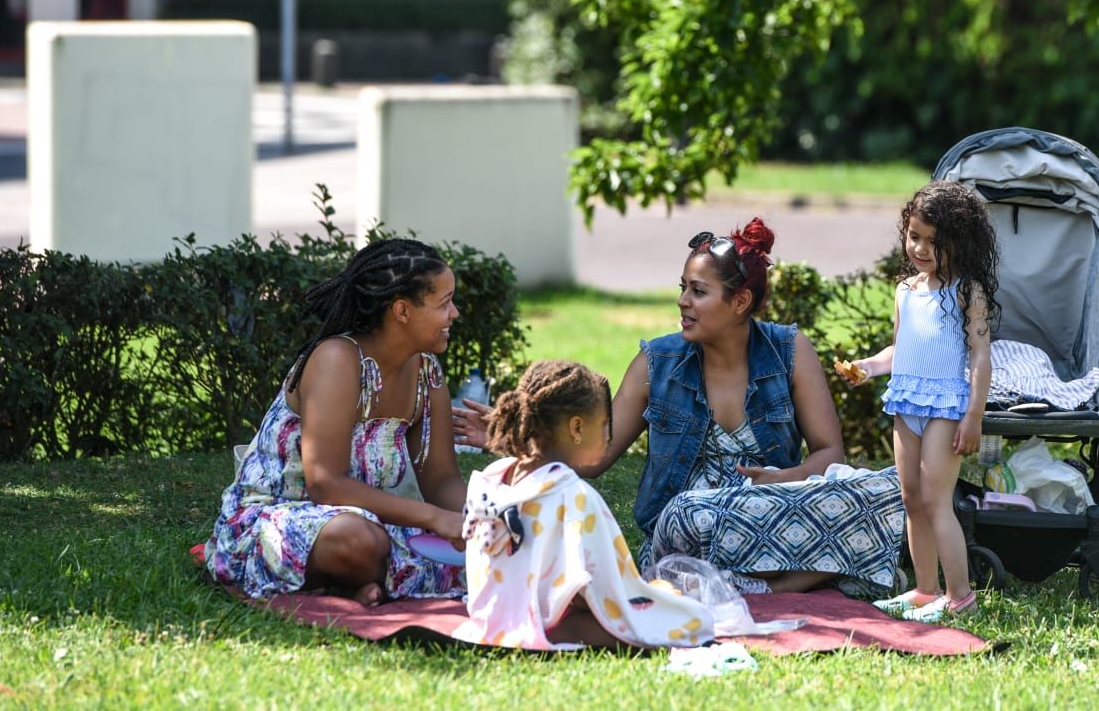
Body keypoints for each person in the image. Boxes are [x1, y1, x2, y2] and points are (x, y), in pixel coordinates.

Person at [578, 218, 906, 598]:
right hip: (688, 531)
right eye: (683, 288)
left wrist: (785, 479)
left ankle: (752, 586)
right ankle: (809, 578)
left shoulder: (789, 350)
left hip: (773, 512)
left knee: (884, 487)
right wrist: (518, 438)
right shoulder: (656, 362)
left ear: (740, 301)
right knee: (688, 511)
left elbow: (830, 453)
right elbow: (596, 456)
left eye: (699, 291)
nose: (683, 301)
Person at [204, 238, 492, 605]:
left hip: (373, 522)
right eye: (444, 303)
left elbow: (441, 479)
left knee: (482, 550)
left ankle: (355, 584)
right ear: (402, 310)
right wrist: (435, 518)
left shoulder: (427, 373)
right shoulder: (337, 360)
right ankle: (362, 579)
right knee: (360, 541)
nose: (455, 314)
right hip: (281, 516)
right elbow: (325, 483)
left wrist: (478, 518)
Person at [453, 360, 713, 650]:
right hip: (545, 622)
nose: (608, 436)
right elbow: (603, 583)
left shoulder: (493, 479)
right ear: (577, 427)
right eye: (604, 425)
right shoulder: (573, 495)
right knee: (683, 621)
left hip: (492, 618)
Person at [838, 180, 1000, 622]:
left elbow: (980, 357)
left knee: (934, 500)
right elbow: (901, 348)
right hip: (906, 403)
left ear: (960, 243)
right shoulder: (906, 290)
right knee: (911, 498)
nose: (921, 248)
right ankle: (925, 591)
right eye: (915, 236)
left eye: (935, 241)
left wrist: (975, 416)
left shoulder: (968, 292)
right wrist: (869, 366)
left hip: (946, 407)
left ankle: (960, 594)